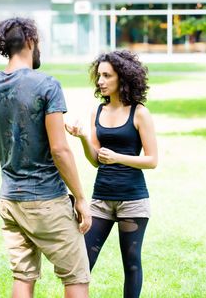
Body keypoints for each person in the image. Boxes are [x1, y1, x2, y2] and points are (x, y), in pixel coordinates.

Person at [0, 17, 91, 298]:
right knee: (76, 277)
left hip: (9, 200)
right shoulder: (47, 85)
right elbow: (59, 149)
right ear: (30, 41)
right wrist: (79, 197)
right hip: (45, 199)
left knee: (23, 276)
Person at [65, 50, 158, 298]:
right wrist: (84, 137)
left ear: (122, 78)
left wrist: (118, 158)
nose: (100, 81)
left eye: (107, 75)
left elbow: (152, 160)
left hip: (133, 200)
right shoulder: (98, 112)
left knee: (132, 263)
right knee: (83, 261)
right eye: (99, 76)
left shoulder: (139, 113)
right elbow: (96, 160)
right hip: (101, 199)